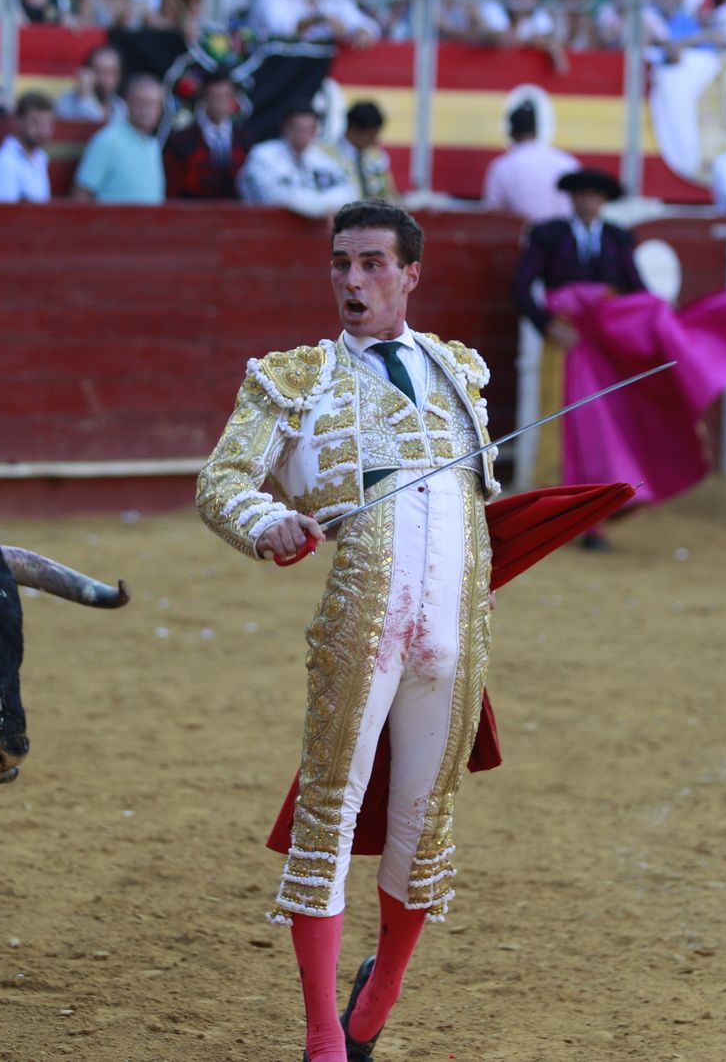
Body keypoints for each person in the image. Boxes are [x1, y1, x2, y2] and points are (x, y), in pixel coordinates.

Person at [196, 199, 499, 1062]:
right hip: (361, 635)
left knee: (423, 822)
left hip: (455, 633)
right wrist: (268, 522)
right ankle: (325, 1036)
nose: (352, 281)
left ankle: (382, 993)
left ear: (410, 274)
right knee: (328, 820)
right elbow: (221, 480)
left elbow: (480, 511)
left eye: (372, 263)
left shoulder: (459, 371)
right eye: (340, 264)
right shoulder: (296, 377)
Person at [512, 168, 646, 504]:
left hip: (605, 345)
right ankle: (559, 496)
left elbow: (637, 291)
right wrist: (547, 325)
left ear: (603, 201)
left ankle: (603, 494)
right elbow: (520, 285)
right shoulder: (549, 235)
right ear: (571, 199)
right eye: (581, 195)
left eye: (594, 196)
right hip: (564, 340)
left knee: (604, 419)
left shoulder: (618, 238)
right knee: (560, 414)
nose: (587, 202)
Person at [237, 106, 357, 216]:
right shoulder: (263, 154)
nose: (302, 135)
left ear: (315, 130)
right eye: (297, 128)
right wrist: (320, 205)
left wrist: (317, 205)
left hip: (310, 231)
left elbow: (348, 192)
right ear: (285, 128)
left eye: (308, 129)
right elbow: (273, 197)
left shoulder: (321, 158)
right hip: (262, 227)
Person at [481, 102, 580, 224]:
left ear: (511, 134)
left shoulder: (502, 167)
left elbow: (493, 212)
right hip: (565, 240)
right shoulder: (567, 162)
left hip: (523, 240)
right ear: (537, 130)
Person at [73, 75, 166, 204]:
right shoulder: (107, 140)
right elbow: (82, 193)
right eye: (141, 102)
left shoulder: (153, 145)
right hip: (111, 223)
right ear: (127, 103)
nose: (147, 110)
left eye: (153, 104)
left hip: (149, 223)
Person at [164, 73, 253, 199]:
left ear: (234, 99)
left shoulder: (245, 140)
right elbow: (173, 189)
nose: (220, 102)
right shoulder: (181, 141)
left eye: (226, 96)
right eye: (215, 96)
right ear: (204, 98)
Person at [0, 92, 56, 204]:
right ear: (18, 122)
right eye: (35, 122)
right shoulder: (5, 161)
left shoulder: (40, 157)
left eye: (46, 123)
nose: (42, 130)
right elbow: (5, 216)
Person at [324, 101, 399, 202]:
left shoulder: (376, 156)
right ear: (354, 130)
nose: (374, 141)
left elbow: (390, 196)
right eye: (371, 135)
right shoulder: (324, 156)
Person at [250, 0, 381, 45]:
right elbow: (284, 30)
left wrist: (362, 32)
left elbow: (367, 25)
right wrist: (321, 19)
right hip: (273, 75)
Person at [57, 45, 126, 124]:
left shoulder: (119, 106)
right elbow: (97, 129)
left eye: (113, 72)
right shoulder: (67, 102)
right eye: (100, 72)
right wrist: (87, 95)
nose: (107, 79)